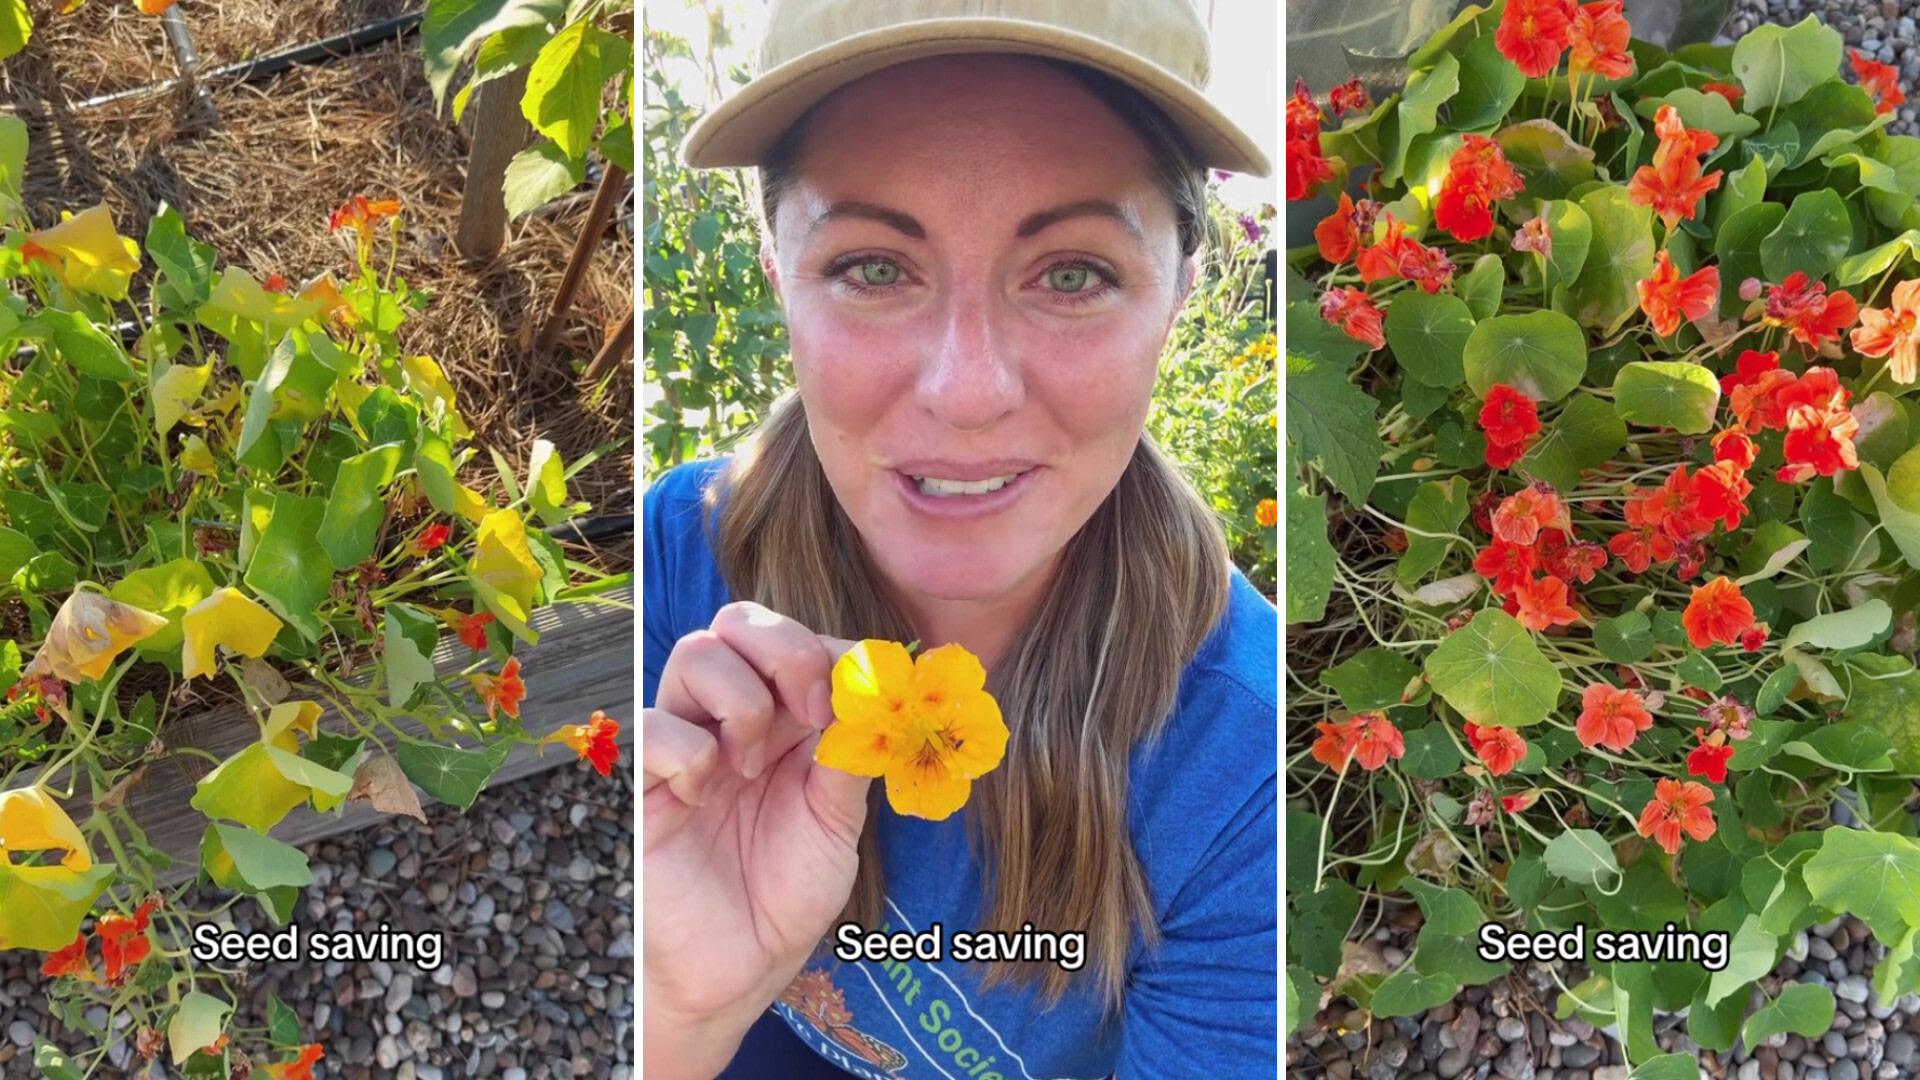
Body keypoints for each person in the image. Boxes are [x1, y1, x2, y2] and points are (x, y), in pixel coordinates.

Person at [641, 2, 1278, 1077]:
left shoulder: (1246, 767)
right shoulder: (679, 546)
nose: (968, 392)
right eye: (874, 269)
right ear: (772, 271)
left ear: (1180, 287)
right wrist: (678, 1015)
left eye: (1072, 274)